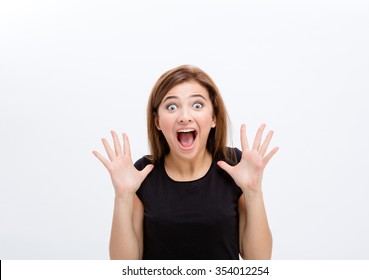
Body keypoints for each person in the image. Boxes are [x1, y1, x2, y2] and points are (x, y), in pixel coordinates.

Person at [93, 65, 279, 260]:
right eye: (172, 107)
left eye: (197, 105)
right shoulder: (141, 174)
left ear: (213, 117)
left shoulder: (235, 167)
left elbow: (259, 262)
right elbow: (123, 267)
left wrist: (253, 191)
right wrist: (123, 195)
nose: (184, 117)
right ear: (157, 121)